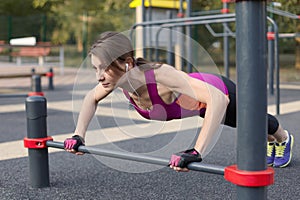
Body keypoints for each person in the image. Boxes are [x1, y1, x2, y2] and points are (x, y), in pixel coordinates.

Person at [64, 31, 294, 172]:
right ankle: (271, 141)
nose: (99, 76)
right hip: (201, 106)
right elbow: (89, 99)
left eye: (104, 68)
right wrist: (78, 134)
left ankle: (284, 138)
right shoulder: (113, 82)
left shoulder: (159, 75)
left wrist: (196, 152)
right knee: (248, 127)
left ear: (128, 63)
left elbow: (218, 99)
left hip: (218, 90)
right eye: (96, 68)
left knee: (255, 124)